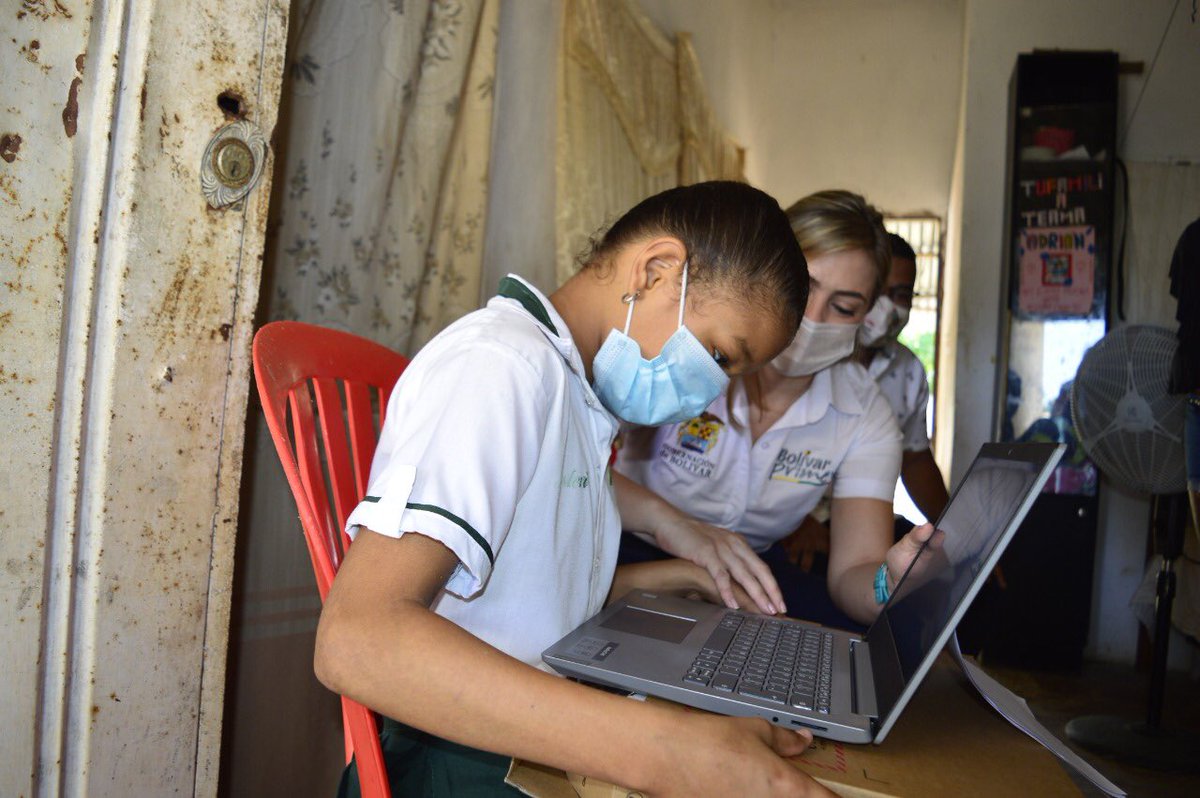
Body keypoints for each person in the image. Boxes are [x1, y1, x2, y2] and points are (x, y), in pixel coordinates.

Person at [315, 181, 837, 798]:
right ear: (657, 271)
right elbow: (358, 639)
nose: (712, 390)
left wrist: (663, 577)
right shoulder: (500, 364)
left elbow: (508, 602)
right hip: (450, 764)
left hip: (515, 744)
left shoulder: (574, 398)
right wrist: (665, 750)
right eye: (721, 355)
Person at [615, 190, 940, 632]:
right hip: (628, 543)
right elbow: (572, 467)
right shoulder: (684, 347)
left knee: (892, 637)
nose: (810, 318)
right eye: (801, 288)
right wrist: (671, 524)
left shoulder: (864, 413)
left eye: (843, 307)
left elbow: (853, 573)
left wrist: (890, 581)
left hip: (749, 569)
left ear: (867, 317)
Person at [855, 233, 949, 532]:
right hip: (796, 522)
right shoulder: (813, 356)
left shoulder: (908, 370)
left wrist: (956, 533)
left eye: (901, 295)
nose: (888, 307)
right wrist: (802, 524)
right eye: (878, 291)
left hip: (865, 523)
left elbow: (914, 460)